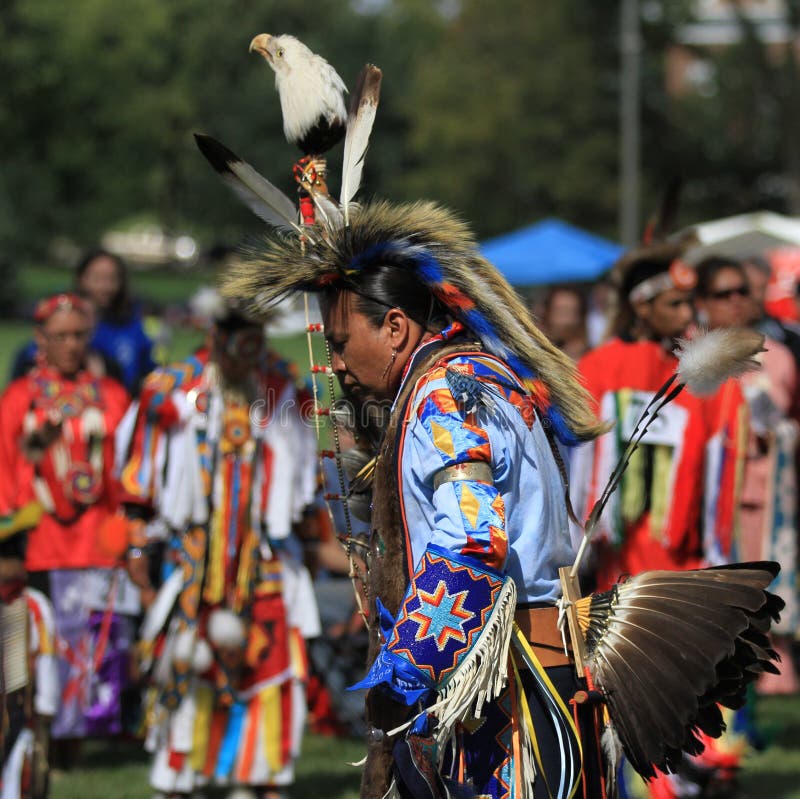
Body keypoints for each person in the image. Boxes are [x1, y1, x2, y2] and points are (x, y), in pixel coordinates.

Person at [221, 200, 610, 799]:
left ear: (396, 328)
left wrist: (408, 667)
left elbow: (473, 538)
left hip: (497, 689)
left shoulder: (441, 398)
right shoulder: (487, 375)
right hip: (544, 668)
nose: (337, 365)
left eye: (345, 342)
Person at [117, 294, 320, 799]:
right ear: (214, 337)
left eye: (255, 343)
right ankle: (179, 778)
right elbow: (139, 482)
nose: (244, 359)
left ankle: (260, 775)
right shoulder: (172, 390)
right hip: (194, 558)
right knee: (187, 661)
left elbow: (306, 475)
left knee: (269, 660)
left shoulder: (280, 387)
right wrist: (138, 549)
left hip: (266, 557)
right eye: (235, 344)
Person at [571, 246, 750, 797]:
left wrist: (719, 552)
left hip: (683, 560)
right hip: (615, 567)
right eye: (673, 303)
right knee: (625, 690)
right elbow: (575, 466)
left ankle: (695, 778)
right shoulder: (597, 370)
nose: (686, 313)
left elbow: (722, 460)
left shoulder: (701, 373)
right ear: (640, 307)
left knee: (687, 686)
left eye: (688, 301)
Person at [0, 292, 134, 768]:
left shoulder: (113, 397)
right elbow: (6, 470)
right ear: (40, 339)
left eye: (79, 334)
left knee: (91, 652)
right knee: (40, 654)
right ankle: (35, 746)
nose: (71, 344)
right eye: (60, 336)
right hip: (39, 547)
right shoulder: (20, 399)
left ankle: (72, 751)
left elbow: (126, 473)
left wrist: (129, 535)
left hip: (98, 543)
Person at [695, 255, 799, 695]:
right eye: (724, 294)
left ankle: (764, 691)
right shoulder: (691, 354)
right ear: (702, 301)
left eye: (743, 291)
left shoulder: (774, 355)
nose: (736, 301)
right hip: (703, 502)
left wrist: (776, 428)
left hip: (764, 497)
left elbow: (794, 420)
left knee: (763, 600)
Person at [10, 249, 155, 395]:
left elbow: (144, 375)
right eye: (97, 278)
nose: (105, 286)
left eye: (112, 279)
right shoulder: (31, 354)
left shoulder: (130, 327)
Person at [0, 505, 59, 799]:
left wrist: (46, 708)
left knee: (16, 781)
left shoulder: (33, 606)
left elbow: (46, 660)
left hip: (19, 719)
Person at [540, 284, 590, 361]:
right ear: (547, 314)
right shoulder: (539, 356)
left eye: (568, 312)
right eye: (559, 311)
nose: (563, 321)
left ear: (581, 316)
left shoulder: (592, 358)